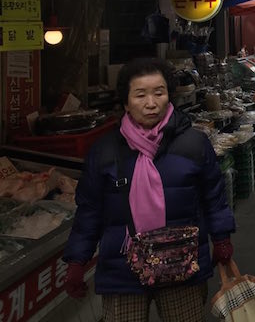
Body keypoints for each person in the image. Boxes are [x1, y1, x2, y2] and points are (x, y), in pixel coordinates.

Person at [63, 58, 235, 322]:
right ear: (126, 101)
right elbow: (90, 210)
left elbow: (214, 196)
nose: (151, 103)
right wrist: (77, 260)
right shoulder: (105, 151)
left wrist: (222, 238)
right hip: (123, 271)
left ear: (169, 95)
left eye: (159, 92)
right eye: (140, 95)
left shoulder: (194, 144)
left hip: (183, 265)